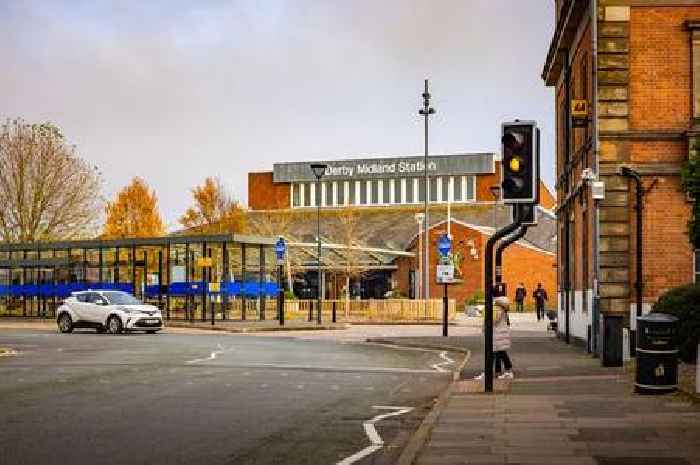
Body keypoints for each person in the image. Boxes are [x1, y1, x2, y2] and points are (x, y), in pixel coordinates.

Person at [475, 296, 514, 380]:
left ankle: (487, 373)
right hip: (499, 335)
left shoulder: (498, 310)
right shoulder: (503, 310)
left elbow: (492, 320)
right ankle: (508, 371)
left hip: (496, 335)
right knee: (501, 353)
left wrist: (484, 313)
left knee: (492, 354)